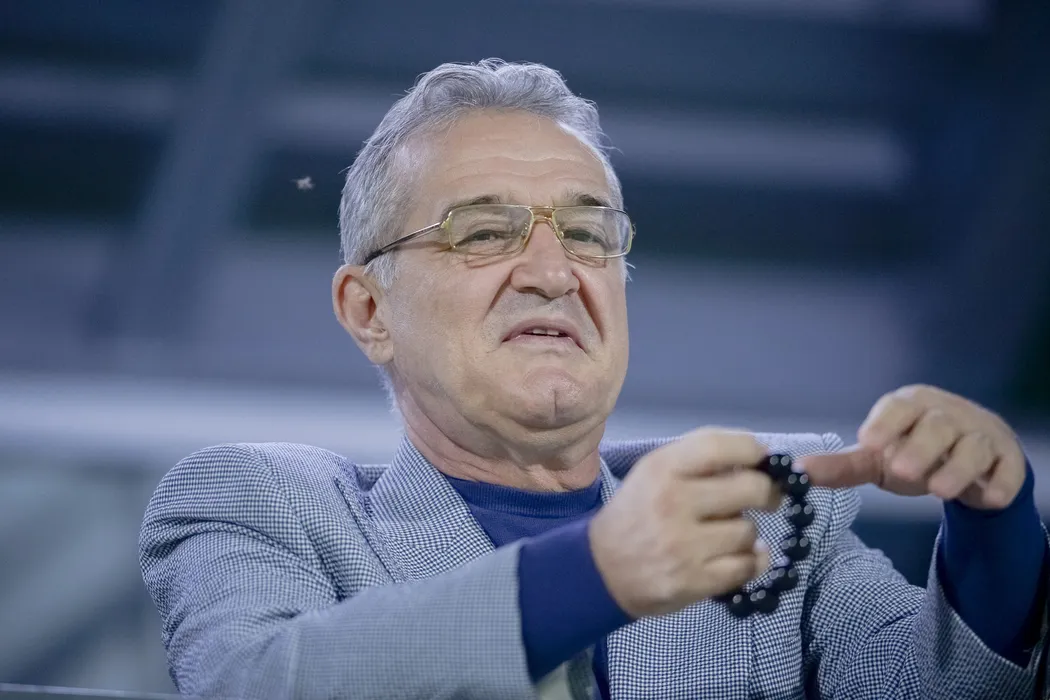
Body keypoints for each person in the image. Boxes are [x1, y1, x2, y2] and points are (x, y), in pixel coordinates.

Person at [139, 59, 1048, 699]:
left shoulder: (768, 512)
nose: (553, 270)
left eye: (586, 233)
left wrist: (992, 523)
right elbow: (253, 684)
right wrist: (595, 573)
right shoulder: (262, 504)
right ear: (369, 310)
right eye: (483, 232)